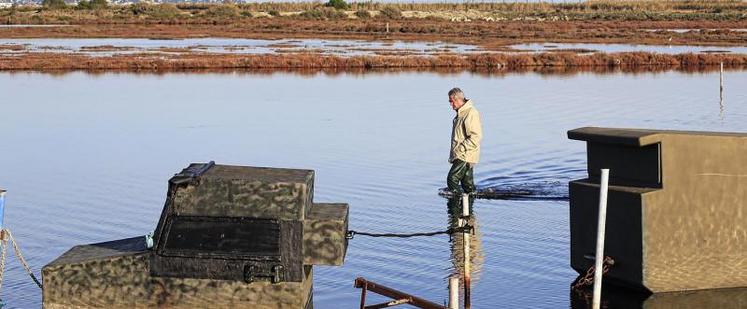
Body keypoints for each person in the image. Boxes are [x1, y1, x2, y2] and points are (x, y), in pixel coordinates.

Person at [447, 87, 482, 195]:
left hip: (465, 155)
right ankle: (468, 211)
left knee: (452, 179)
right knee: (468, 186)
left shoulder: (470, 113)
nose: (451, 105)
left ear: (458, 100)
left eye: (451, 102)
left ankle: (456, 209)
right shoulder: (461, 113)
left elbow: (475, 137)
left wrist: (460, 149)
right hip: (463, 155)